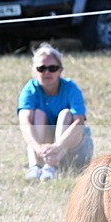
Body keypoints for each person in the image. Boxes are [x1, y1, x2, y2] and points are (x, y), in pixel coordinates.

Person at [17, 42, 93, 180]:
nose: (47, 72)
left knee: (66, 114)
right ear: (34, 71)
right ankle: (35, 166)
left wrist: (58, 147)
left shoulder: (70, 87)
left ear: (60, 70)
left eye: (52, 68)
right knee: (38, 114)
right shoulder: (30, 89)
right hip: (43, 152)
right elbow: (24, 122)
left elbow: (79, 121)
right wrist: (38, 147)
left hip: (74, 150)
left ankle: (52, 166)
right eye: (41, 68)